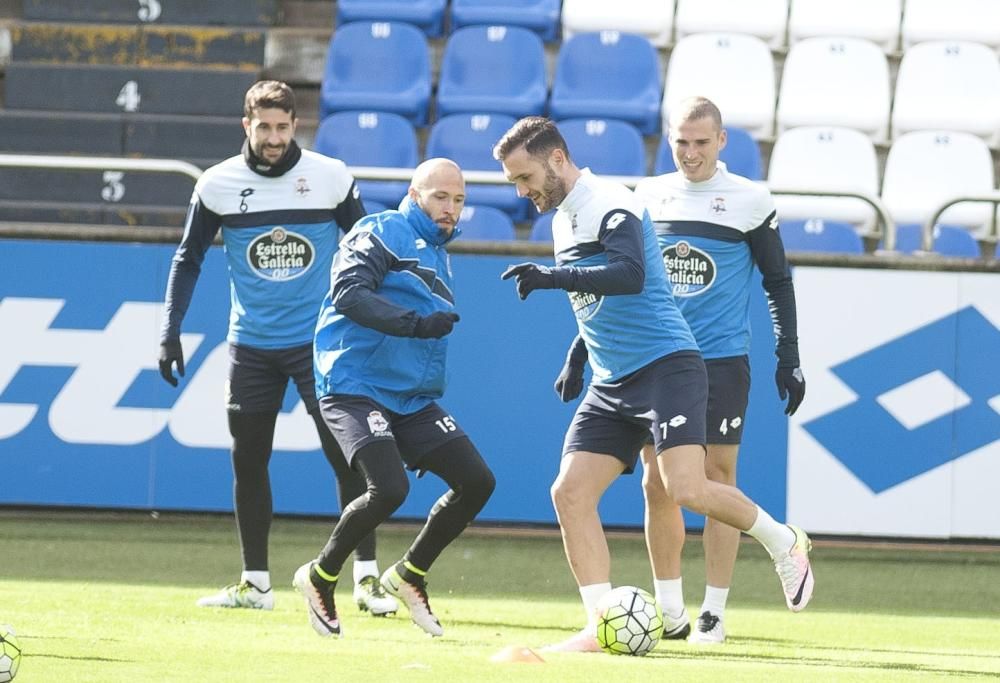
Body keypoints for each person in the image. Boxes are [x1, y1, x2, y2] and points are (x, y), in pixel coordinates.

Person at [493, 116, 813, 653]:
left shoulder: (608, 201)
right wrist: (578, 354)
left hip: (667, 366)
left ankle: (784, 542)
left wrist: (554, 278)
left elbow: (630, 273)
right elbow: (595, 301)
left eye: (523, 178)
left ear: (555, 159)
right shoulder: (560, 219)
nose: (521, 192)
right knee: (569, 493)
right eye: (513, 184)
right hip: (612, 378)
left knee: (685, 487)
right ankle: (601, 624)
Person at [158, 80, 396, 617]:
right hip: (252, 348)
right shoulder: (217, 185)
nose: (273, 137)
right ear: (247, 124)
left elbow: (367, 251)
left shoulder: (330, 176)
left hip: (322, 344)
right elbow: (187, 258)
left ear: (296, 126)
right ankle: (256, 585)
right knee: (249, 462)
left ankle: (365, 579)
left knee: (348, 458)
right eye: (263, 127)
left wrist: (375, 323)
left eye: (282, 127)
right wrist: (170, 328)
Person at [292, 158, 496, 639]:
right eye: (440, 197)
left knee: (477, 482)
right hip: (354, 383)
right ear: (415, 194)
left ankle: (409, 574)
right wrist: (414, 323)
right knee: (390, 488)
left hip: (408, 396)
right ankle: (320, 576)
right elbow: (347, 292)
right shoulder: (382, 229)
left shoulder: (439, 250)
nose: (451, 208)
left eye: (460, 200)